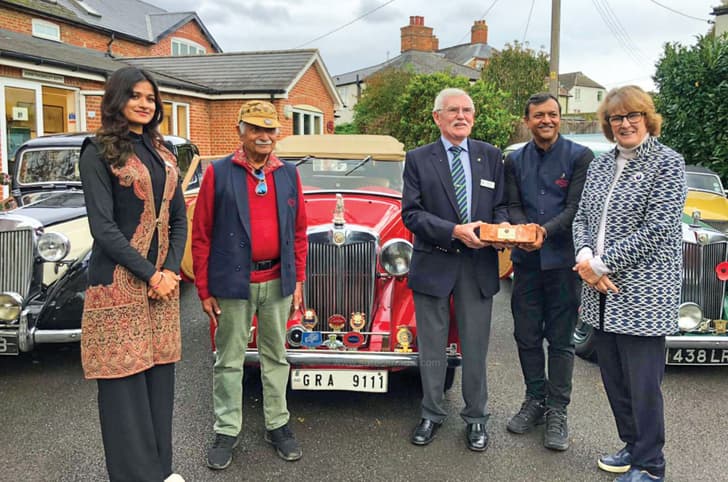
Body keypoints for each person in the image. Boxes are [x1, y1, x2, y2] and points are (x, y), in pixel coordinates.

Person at [572, 85, 686, 482]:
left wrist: (600, 265)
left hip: (643, 294)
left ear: (647, 118)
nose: (625, 123)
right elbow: (582, 217)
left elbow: (658, 229)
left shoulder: (668, 163)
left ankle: (650, 465)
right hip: (599, 292)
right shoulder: (601, 165)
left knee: (643, 385)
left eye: (632, 115)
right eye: (616, 118)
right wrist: (585, 255)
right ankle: (632, 446)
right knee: (614, 379)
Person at [79, 66, 187, 482]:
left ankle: (161, 471)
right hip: (117, 285)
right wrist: (150, 274)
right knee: (124, 389)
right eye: (135, 96)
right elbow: (103, 227)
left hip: (162, 287)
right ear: (117, 99)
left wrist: (170, 271)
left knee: (159, 383)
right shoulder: (98, 151)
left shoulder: (163, 151)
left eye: (150, 97)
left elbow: (178, 218)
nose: (144, 104)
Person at [191, 100, 308, 469]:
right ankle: (227, 430)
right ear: (240, 131)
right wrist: (204, 289)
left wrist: (298, 278)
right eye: (255, 128)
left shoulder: (288, 174)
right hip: (232, 283)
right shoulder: (219, 173)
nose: (263, 136)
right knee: (228, 360)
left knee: (276, 356)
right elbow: (201, 234)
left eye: (269, 129)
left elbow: (299, 232)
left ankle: (278, 424)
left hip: (277, 280)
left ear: (277, 133)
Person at [401, 87, 508, 452]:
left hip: (478, 267)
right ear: (437, 117)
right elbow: (411, 213)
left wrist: (499, 230)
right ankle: (431, 413)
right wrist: (453, 231)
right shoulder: (418, 158)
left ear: (473, 117)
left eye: (467, 110)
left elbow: (502, 205)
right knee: (431, 348)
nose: (461, 116)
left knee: (475, 348)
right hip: (434, 262)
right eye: (453, 111)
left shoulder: (490, 155)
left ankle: (477, 418)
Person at [503, 93, 593, 450]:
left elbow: (576, 207)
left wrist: (544, 231)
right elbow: (512, 204)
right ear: (527, 120)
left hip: (563, 263)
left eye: (552, 114)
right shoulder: (514, 160)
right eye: (539, 115)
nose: (547, 120)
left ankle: (558, 409)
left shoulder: (579, 156)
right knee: (526, 336)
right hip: (525, 264)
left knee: (560, 340)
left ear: (560, 117)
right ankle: (535, 400)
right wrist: (524, 230)